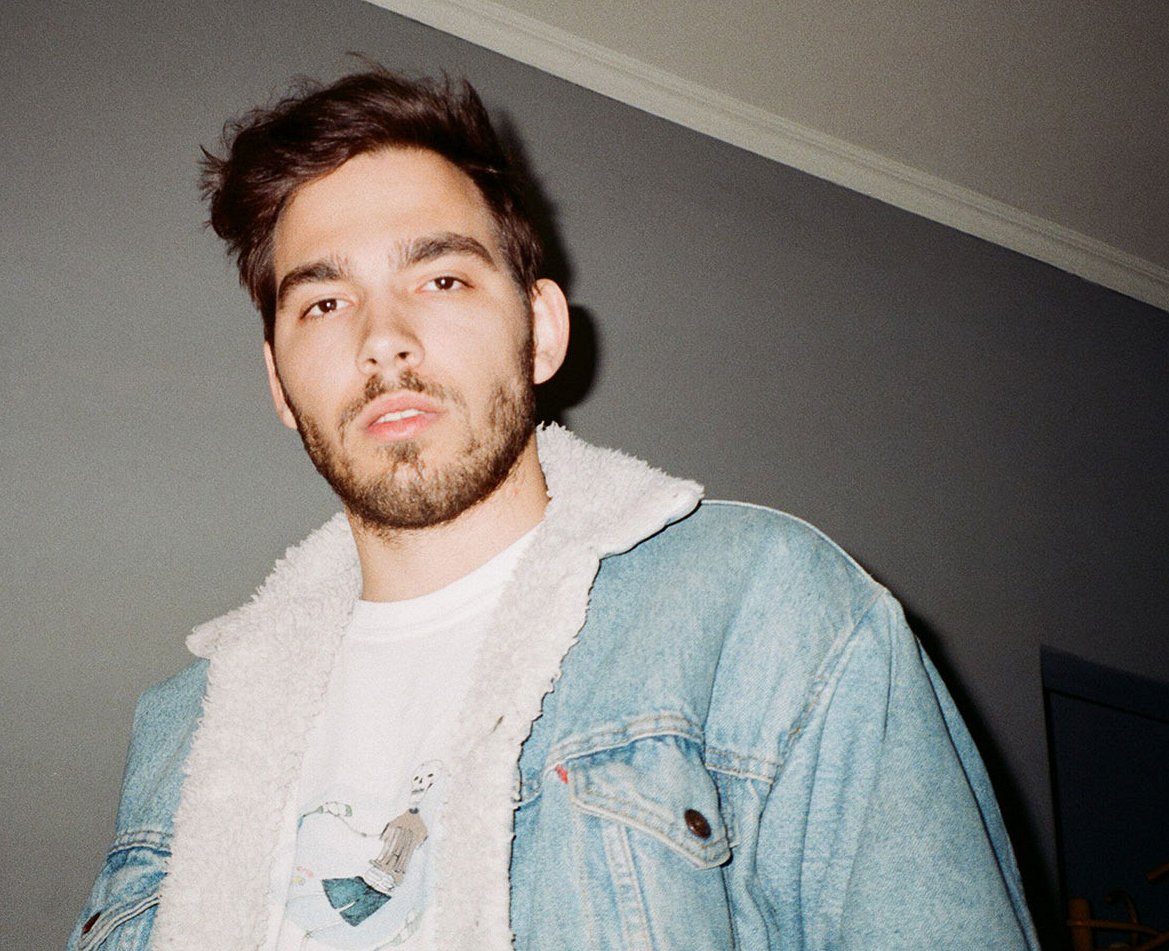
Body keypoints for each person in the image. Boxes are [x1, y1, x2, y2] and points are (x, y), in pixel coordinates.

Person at [68, 68, 1039, 951]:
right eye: (324, 302)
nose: (383, 339)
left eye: (440, 279)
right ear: (280, 382)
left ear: (540, 331)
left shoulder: (766, 610)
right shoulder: (185, 729)